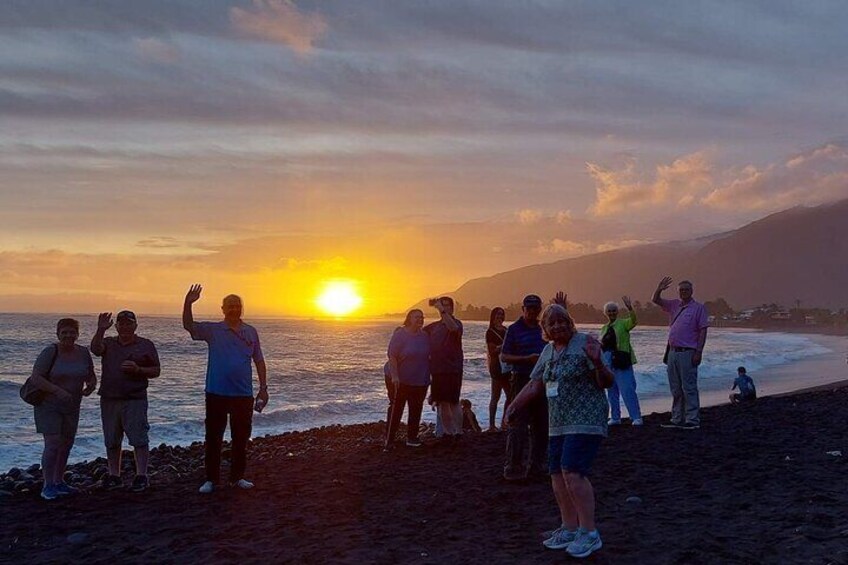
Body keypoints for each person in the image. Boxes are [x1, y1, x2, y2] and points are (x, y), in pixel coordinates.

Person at [505, 304, 613, 559]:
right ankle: (569, 527)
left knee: (573, 473)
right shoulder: (548, 351)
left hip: (586, 420)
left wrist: (598, 362)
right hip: (559, 423)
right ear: (545, 329)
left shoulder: (585, 343)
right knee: (556, 475)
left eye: (562, 321)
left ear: (570, 322)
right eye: (551, 323)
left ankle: (589, 532)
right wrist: (513, 406)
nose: (557, 327)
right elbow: (535, 383)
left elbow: (606, 381)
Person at [183, 284, 268, 494]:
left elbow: (259, 360)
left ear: (241, 308)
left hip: (243, 395)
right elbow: (189, 326)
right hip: (216, 394)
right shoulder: (213, 331)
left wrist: (263, 388)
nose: (234, 309)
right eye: (230, 306)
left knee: (240, 439)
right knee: (213, 438)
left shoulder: (251, 332)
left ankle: (237, 478)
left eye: (237, 306)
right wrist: (188, 303)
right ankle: (211, 480)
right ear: (222, 309)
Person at [91, 310, 161, 492]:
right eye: (121, 323)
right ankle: (114, 475)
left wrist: (138, 369)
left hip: (135, 398)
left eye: (129, 323)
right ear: (117, 326)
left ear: (135, 325)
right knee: (112, 439)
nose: (125, 327)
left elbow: (156, 370)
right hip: (109, 399)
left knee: (139, 438)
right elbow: (95, 350)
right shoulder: (108, 343)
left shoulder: (145, 345)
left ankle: (142, 475)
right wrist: (100, 329)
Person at [29, 318, 97, 500]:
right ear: (57, 334)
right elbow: (36, 378)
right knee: (52, 444)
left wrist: (91, 385)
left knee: (66, 444)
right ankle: (48, 485)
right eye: (64, 332)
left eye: (72, 332)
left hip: (72, 405)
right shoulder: (50, 351)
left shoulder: (83, 352)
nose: (68, 335)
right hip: (49, 405)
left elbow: (90, 375)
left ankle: (59, 481)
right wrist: (57, 390)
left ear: (77, 334)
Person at [501, 294, 548, 481]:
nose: (532, 312)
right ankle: (513, 467)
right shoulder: (513, 329)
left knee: (542, 426)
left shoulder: (543, 328)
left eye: (536, 308)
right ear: (523, 309)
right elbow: (504, 356)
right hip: (521, 379)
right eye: (529, 308)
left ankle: (536, 466)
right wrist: (525, 359)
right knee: (517, 425)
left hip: (543, 381)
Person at [653, 277, 709, 430]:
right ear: (678, 292)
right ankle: (677, 418)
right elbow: (656, 300)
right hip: (672, 352)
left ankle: (692, 419)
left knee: (689, 387)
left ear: (692, 291)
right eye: (681, 290)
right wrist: (659, 288)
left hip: (688, 352)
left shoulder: (699, 308)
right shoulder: (674, 305)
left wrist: (699, 352)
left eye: (686, 289)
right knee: (676, 388)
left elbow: (703, 331)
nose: (683, 292)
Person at [385, 310, 430, 450]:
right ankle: (389, 440)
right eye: (417, 317)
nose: (420, 320)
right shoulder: (400, 335)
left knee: (416, 408)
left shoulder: (425, 336)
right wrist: (395, 376)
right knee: (396, 408)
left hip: (420, 379)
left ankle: (412, 438)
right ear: (409, 319)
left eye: (422, 317)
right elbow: (392, 356)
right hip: (399, 378)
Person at [424, 297, 464, 442]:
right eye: (442, 305)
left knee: (453, 401)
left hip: (453, 368)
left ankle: (459, 432)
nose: (444, 308)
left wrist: (441, 309)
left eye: (447, 306)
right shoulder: (433, 327)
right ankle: (448, 433)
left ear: (452, 308)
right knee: (441, 402)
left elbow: (452, 328)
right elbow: (417, 334)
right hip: (437, 369)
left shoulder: (457, 324)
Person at [599, 297, 643, 426]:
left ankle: (636, 417)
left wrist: (630, 309)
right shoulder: (604, 327)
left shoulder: (623, 323)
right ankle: (615, 417)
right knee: (612, 392)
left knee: (627, 389)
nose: (611, 313)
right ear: (606, 313)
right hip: (608, 363)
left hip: (622, 361)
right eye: (609, 311)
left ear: (617, 312)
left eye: (614, 310)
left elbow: (634, 321)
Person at [485, 307, 510, 432]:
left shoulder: (506, 330)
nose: (500, 316)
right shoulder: (490, 332)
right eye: (497, 314)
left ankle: (504, 423)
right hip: (496, 367)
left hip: (507, 366)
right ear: (493, 316)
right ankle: (491, 425)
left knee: (510, 396)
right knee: (496, 396)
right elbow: (492, 351)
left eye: (502, 314)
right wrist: (504, 345)